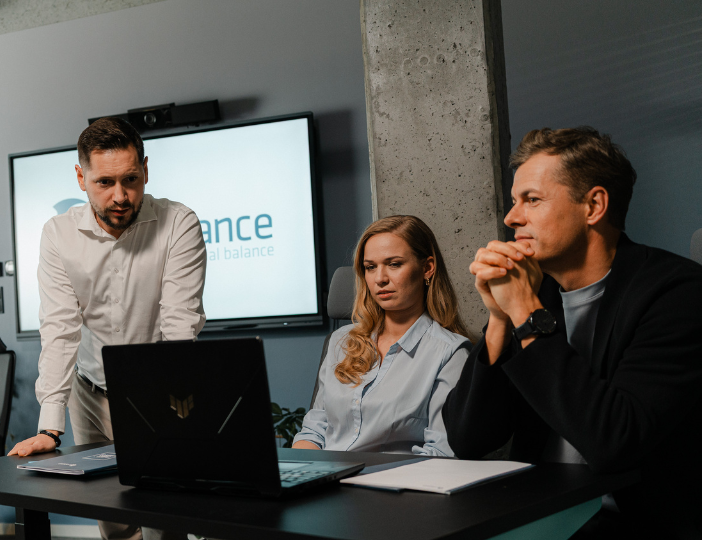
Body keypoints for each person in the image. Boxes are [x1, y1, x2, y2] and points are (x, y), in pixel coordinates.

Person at [442, 127, 702, 538]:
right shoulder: (533, 292)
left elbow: (613, 442)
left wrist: (525, 313)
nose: (511, 218)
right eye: (514, 201)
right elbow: (467, 438)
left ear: (594, 205)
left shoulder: (678, 292)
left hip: (636, 524)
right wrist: (499, 318)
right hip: (538, 514)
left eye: (532, 200)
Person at [7, 117, 207, 540]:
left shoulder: (178, 223)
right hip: (89, 390)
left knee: (163, 522)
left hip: (156, 390)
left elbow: (179, 323)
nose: (120, 196)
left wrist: (174, 411)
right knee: (114, 520)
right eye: (104, 182)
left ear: (145, 171)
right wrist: (49, 426)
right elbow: (60, 327)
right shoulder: (59, 234)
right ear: (81, 178)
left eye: (130, 179)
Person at [293, 215, 472, 456]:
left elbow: (440, 453)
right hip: (328, 474)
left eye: (394, 264)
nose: (380, 279)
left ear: (427, 268)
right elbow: (313, 432)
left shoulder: (450, 352)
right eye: (370, 267)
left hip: (395, 478)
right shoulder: (341, 341)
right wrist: (303, 469)